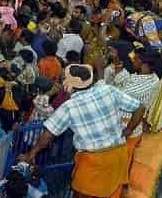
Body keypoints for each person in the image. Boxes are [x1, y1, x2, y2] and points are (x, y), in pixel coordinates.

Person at [21, 64, 145, 198]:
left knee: (82, 194)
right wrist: (128, 129)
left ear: (68, 85)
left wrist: (31, 154)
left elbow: (48, 135)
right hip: (118, 155)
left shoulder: (69, 107)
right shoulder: (108, 90)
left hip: (93, 161)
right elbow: (140, 107)